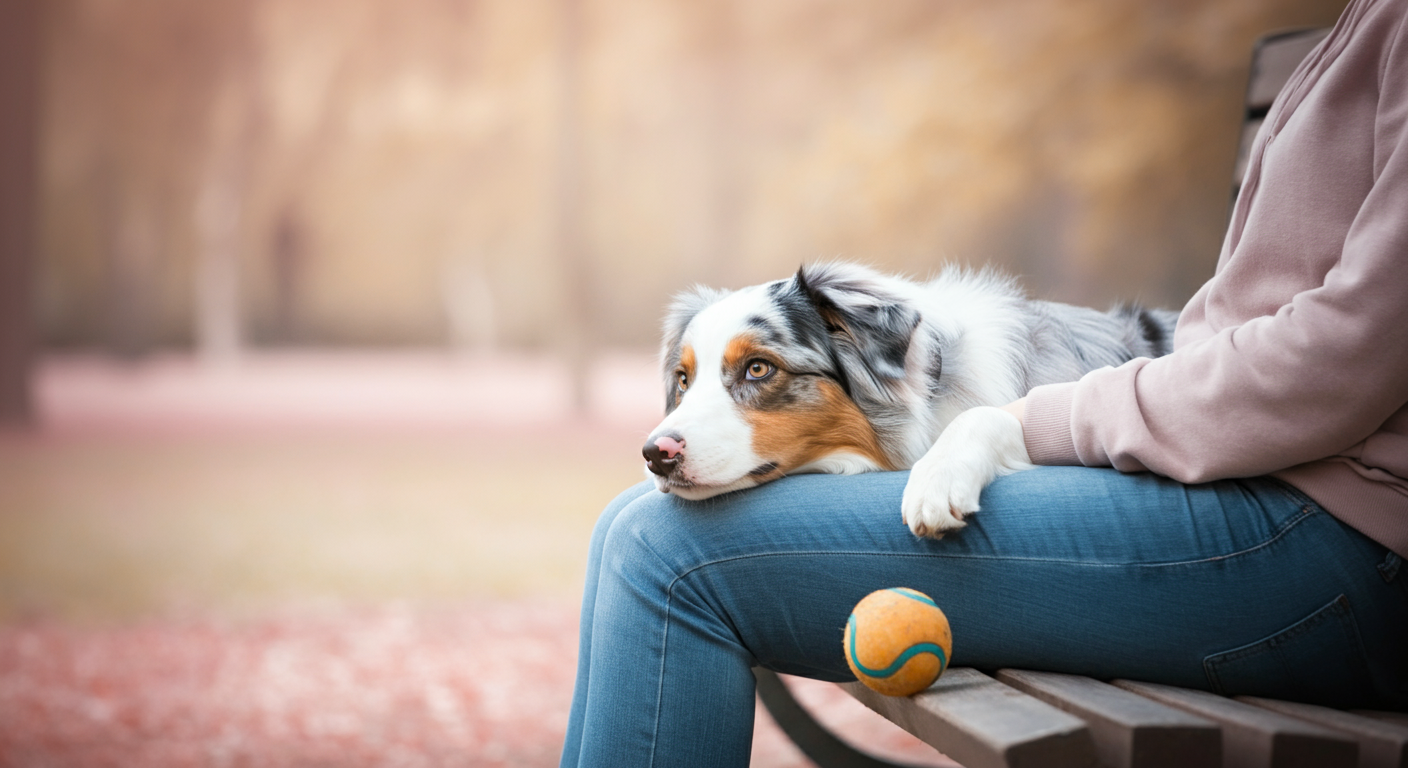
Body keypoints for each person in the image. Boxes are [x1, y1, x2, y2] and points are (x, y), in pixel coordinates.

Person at [561, 0, 1408, 764]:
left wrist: (1021, 424)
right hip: (1267, 497)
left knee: (664, 551)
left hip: (1338, 539)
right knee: (627, 523)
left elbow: (1343, 354)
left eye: (757, 372)